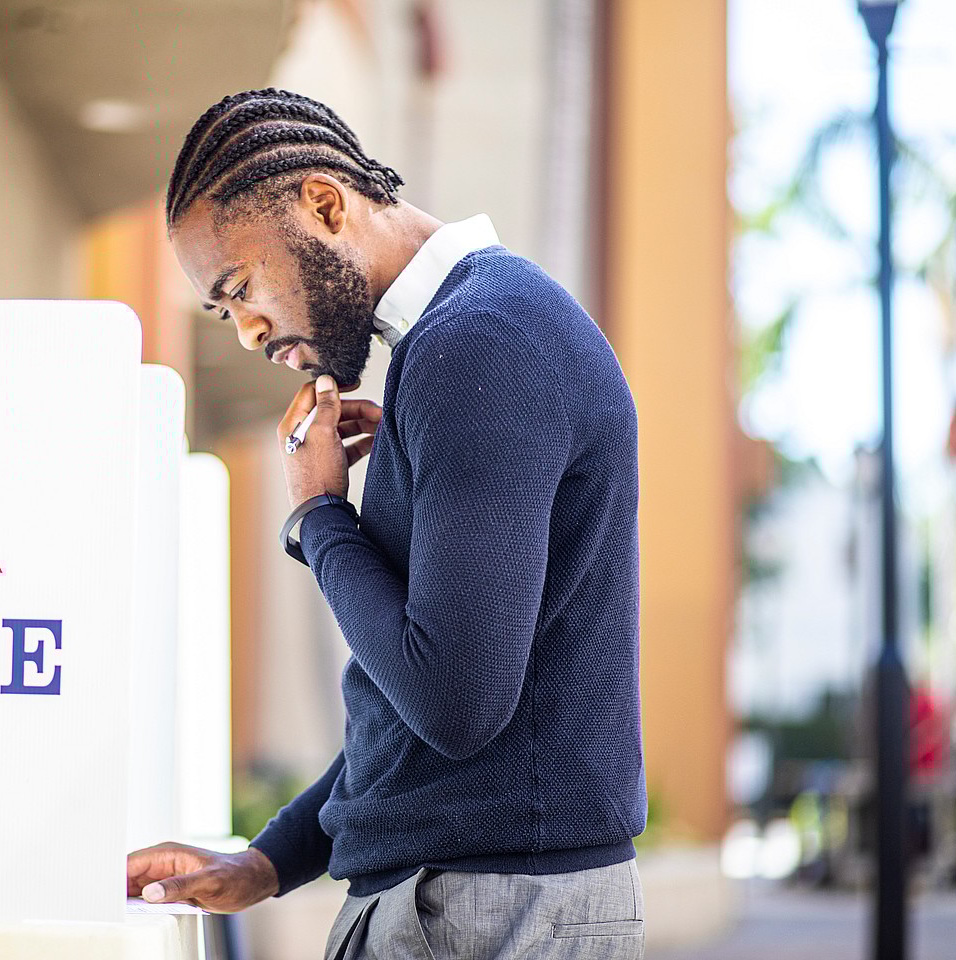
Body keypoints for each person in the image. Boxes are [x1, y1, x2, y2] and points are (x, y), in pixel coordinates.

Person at [127, 89, 646, 959]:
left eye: (241, 287)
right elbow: (421, 716)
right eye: (225, 312)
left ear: (324, 205)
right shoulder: (468, 339)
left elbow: (454, 702)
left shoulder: (477, 344)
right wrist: (268, 861)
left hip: (481, 913)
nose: (250, 332)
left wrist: (319, 515)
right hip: (484, 899)